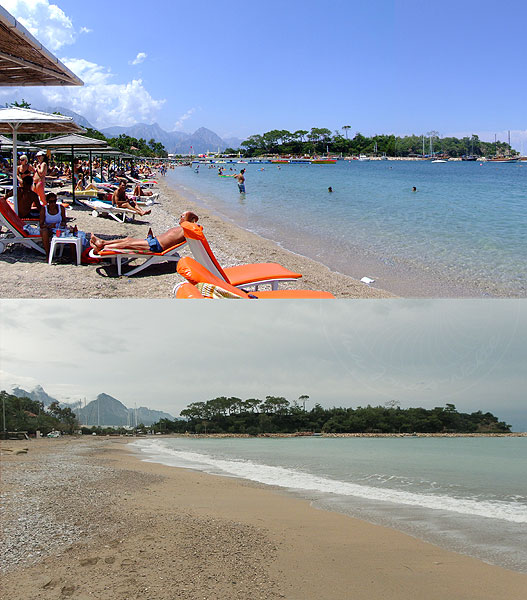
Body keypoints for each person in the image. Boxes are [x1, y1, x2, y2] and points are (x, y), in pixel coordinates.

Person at [90, 211, 198, 254]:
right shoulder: (182, 227)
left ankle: (103, 246)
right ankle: (104, 242)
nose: (180, 217)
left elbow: (193, 221)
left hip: (156, 246)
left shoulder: (186, 229)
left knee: (128, 244)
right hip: (153, 241)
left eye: (182, 216)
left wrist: (192, 217)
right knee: (127, 240)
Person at [39, 192, 67, 257]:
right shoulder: (44, 210)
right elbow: (41, 225)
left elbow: (64, 221)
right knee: (45, 232)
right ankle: (48, 254)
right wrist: (49, 226)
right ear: (47, 202)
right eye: (51, 202)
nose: (53, 203)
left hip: (58, 229)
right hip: (48, 228)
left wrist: (62, 224)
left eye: (54, 201)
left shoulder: (61, 208)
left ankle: (73, 257)